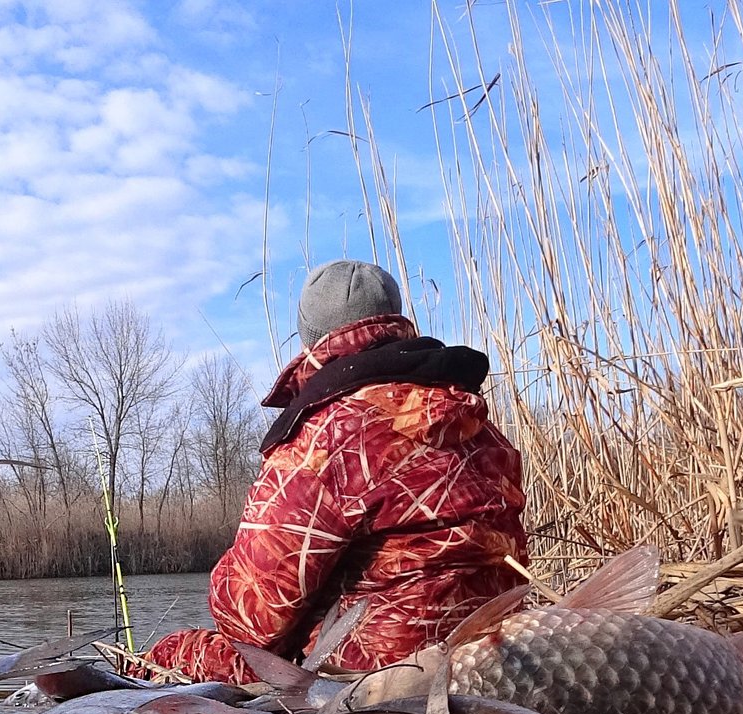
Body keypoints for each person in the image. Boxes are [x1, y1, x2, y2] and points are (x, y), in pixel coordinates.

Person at [143, 259, 527, 683]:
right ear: (398, 323)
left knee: (166, 654)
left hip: (371, 678)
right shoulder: (479, 426)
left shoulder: (328, 437)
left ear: (310, 339)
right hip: (490, 660)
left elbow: (249, 623)